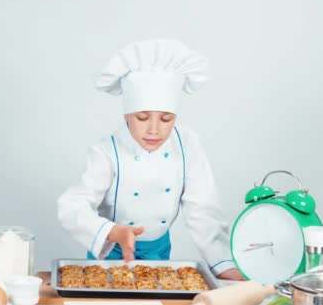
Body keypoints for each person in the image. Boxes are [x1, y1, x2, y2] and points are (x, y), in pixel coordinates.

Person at [57, 39, 243, 279]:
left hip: (158, 252)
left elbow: (203, 208)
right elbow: (71, 206)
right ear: (127, 114)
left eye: (166, 119)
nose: (154, 130)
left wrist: (224, 264)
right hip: (111, 254)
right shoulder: (106, 151)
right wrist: (113, 232)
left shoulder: (188, 144)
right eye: (143, 118)